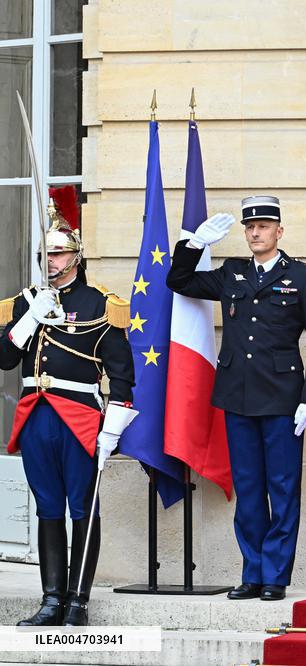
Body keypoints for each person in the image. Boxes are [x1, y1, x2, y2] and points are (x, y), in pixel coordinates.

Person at [166, 195, 306, 601]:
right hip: (238, 396)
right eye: (249, 227)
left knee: (282, 487)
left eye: (263, 226)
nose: (255, 232)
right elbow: (179, 281)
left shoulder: (305, 277)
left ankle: (275, 576)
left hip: (282, 400)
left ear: (279, 231)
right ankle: (253, 572)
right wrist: (193, 244)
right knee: (249, 488)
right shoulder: (232, 274)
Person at [0, 187, 137, 626]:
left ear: (76, 257)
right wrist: (31, 317)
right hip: (36, 414)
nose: (52, 262)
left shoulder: (100, 303)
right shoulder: (25, 302)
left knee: (82, 507)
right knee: (47, 508)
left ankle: (78, 601)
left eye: (59, 254)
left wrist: (113, 427)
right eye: (47, 254)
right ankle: (51, 599)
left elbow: (122, 371)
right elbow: (4, 359)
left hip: (79, 417)